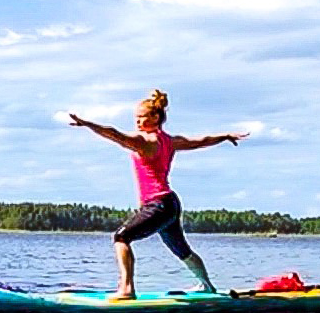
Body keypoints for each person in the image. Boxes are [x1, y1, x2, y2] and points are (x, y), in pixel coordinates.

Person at [67, 89, 248, 299]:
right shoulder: (169, 141)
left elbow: (113, 134)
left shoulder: (146, 142)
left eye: (141, 117)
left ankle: (126, 289)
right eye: (135, 118)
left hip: (158, 204)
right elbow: (200, 141)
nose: (137, 121)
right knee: (181, 249)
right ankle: (207, 286)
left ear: (155, 117)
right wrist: (224, 136)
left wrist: (88, 124)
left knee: (121, 237)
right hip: (169, 203)